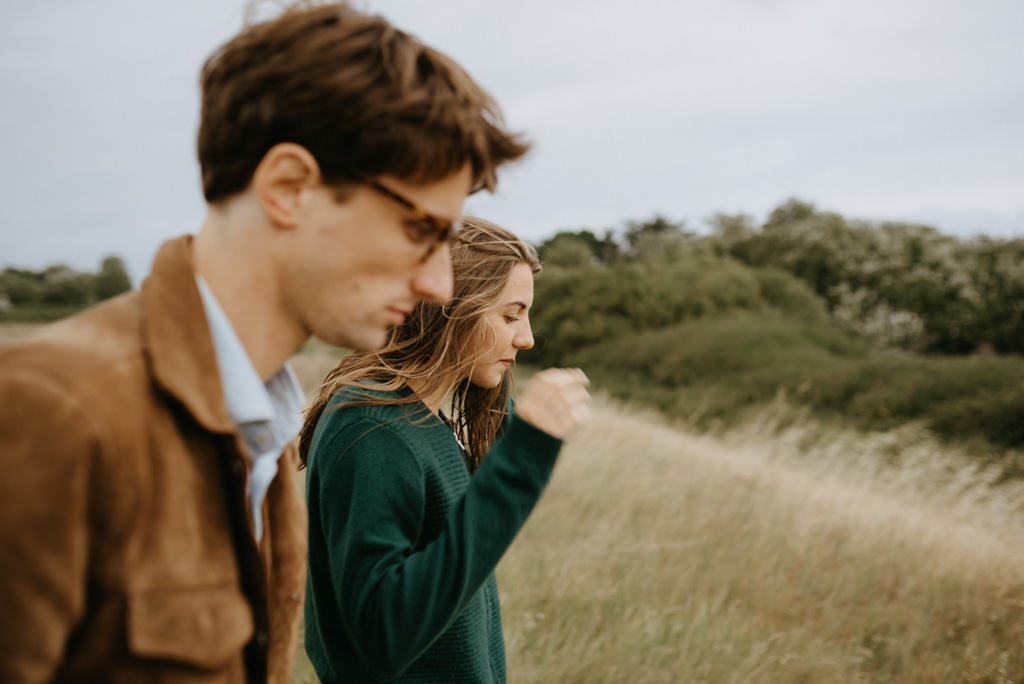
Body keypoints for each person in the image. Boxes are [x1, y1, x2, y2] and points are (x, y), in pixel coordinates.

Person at [0, 3, 529, 683]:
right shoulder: (55, 412)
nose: (435, 283)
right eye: (419, 230)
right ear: (289, 187)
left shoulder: (265, 423)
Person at [300, 217, 592, 683]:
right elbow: (383, 635)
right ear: (448, 309)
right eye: (511, 315)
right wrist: (522, 459)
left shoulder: (439, 416)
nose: (527, 337)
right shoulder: (372, 431)